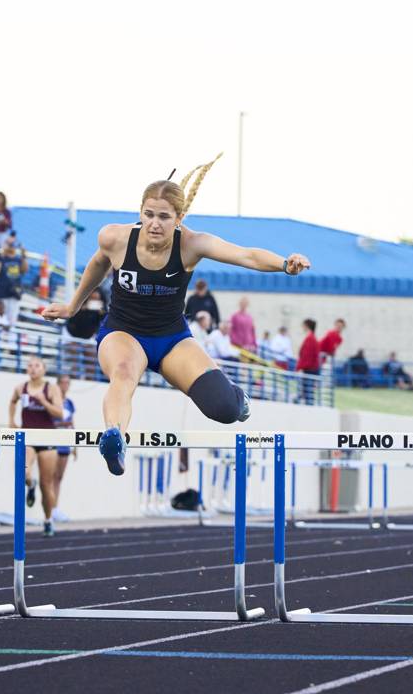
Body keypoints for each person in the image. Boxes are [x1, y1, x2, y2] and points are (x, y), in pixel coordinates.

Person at [42, 155, 310, 474]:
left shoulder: (193, 244)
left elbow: (246, 256)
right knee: (124, 374)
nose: (155, 224)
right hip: (123, 333)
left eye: (164, 217)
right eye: (148, 215)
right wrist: (73, 305)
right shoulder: (114, 238)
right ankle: (114, 436)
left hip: (172, 339)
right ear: (139, 213)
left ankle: (237, 400)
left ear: (179, 218)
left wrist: (283, 264)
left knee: (223, 409)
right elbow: (99, 263)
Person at [8, 356, 66, 536]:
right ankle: (29, 483)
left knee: (46, 484)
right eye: (29, 366)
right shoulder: (21, 388)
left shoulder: (52, 388)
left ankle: (48, 520)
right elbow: (12, 401)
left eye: (36, 366)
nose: (32, 369)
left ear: (43, 369)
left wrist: (43, 402)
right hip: (28, 437)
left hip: (47, 438)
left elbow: (60, 414)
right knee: (23, 470)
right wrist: (11, 420)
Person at [52, 374, 77, 520]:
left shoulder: (69, 403)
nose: (66, 385)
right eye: (63, 382)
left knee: (59, 477)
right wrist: (61, 425)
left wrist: (75, 446)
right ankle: (50, 508)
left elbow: (72, 423)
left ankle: (55, 508)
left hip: (66, 442)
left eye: (68, 383)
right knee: (52, 476)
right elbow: (48, 422)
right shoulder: (54, 402)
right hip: (54, 441)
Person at [0, 231, 27, 324]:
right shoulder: (2, 258)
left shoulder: (18, 259)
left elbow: (24, 269)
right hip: (2, 293)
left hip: (14, 293)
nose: (11, 246)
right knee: (0, 318)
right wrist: (6, 244)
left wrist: (24, 255)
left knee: (12, 320)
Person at [296, 319, 321, 403]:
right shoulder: (311, 337)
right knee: (307, 392)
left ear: (307, 326)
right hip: (310, 368)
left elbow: (306, 355)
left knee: (308, 392)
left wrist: (300, 367)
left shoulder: (310, 338)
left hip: (309, 369)